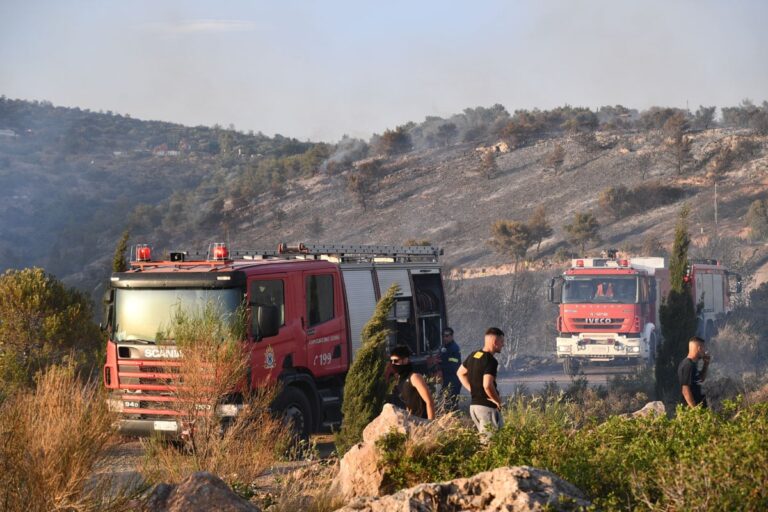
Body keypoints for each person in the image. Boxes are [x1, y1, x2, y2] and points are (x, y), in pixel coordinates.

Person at [457, 327, 505, 439]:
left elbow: (460, 373)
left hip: (474, 407)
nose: (503, 345)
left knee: (485, 441)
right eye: (502, 341)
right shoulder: (491, 361)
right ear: (495, 342)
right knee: (491, 444)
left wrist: (473, 389)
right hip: (487, 408)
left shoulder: (473, 355)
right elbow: (487, 385)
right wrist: (497, 401)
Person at [388, 345, 436, 420]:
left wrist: (431, 424)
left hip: (422, 421)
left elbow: (429, 401)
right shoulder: (400, 380)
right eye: (391, 361)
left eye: (396, 361)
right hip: (411, 423)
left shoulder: (414, 377)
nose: (393, 364)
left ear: (405, 360)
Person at [678, 336, 711, 408]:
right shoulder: (688, 365)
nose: (705, 351)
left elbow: (701, 379)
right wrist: (695, 411)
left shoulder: (693, 364)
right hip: (690, 411)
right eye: (704, 348)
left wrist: (706, 364)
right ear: (699, 348)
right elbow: (685, 390)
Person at [439, 327, 462, 408]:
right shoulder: (444, 347)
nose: (444, 338)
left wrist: (441, 364)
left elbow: (454, 366)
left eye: (447, 336)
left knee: (452, 404)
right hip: (446, 379)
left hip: (453, 380)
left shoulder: (454, 348)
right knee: (444, 402)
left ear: (452, 336)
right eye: (443, 336)